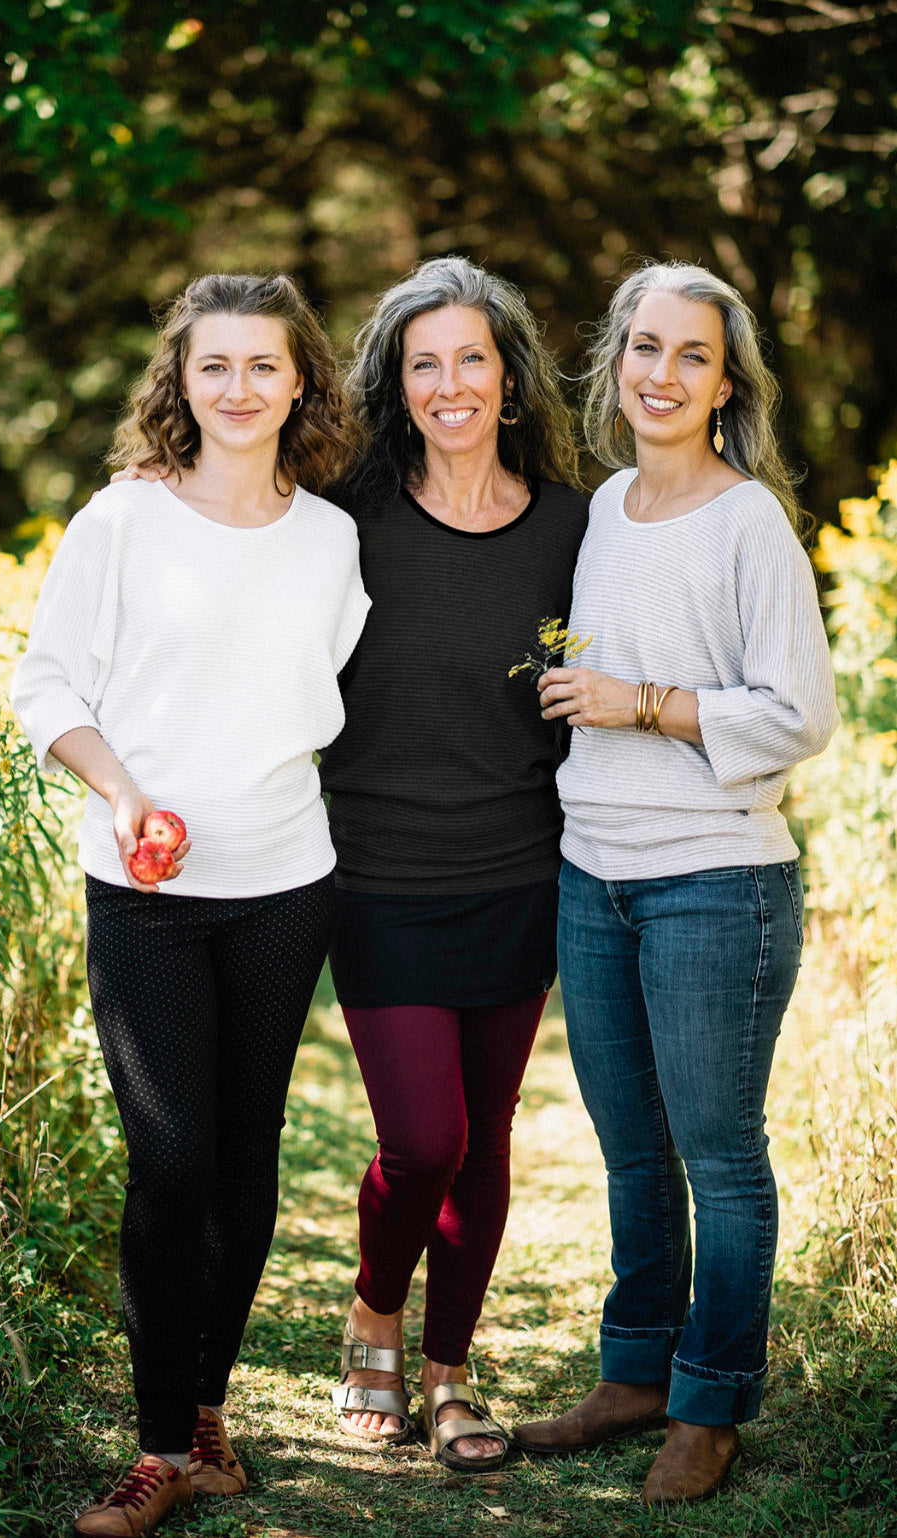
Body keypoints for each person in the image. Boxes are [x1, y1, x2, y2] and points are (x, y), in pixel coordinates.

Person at [12, 273, 369, 1537]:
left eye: (263, 365)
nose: (237, 388)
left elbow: (322, 692)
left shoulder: (329, 539)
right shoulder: (123, 519)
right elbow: (45, 680)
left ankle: (204, 1419)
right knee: (169, 1156)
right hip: (148, 886)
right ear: (180, 381)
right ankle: (158, 1445)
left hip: (286, 880)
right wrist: (119, 793)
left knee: (242, 1155)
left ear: (300, 381)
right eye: (212, 366)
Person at [511, 261, 838, 1504]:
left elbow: (799, 713)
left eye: (689, 354)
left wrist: (638, 705)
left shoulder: (747, 519)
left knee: (717, 1153)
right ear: (614, 362)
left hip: (713, 883)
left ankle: (707, 1404)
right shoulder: (599, 511)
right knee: (629, 1150)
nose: (660, 372)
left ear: (723, 382)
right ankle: (633, 1371)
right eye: (642, 346)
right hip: (591, 872)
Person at [318, 257, 589, 1471]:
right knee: (420, 1135)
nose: (448, 384)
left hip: (519, 869)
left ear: (509, 375)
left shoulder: (569, 528)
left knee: (483, 1139)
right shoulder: (343, 520)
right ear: (397, 384)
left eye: (469, 358)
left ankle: (445, 1373)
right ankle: (374, 1304)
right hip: (375, 870)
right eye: (422, 364)